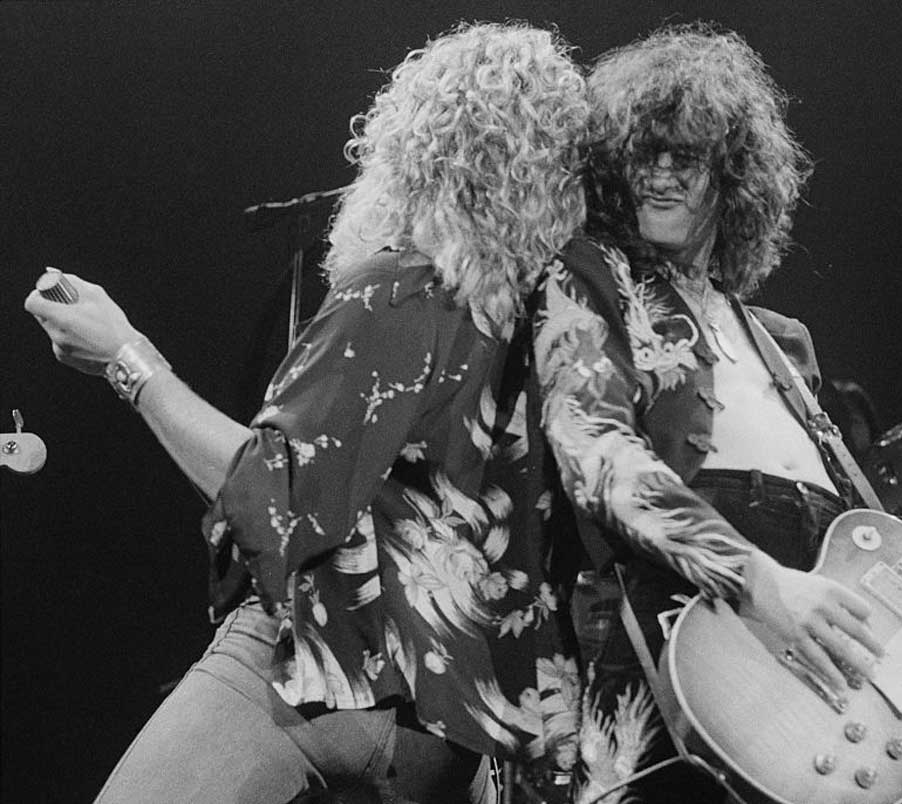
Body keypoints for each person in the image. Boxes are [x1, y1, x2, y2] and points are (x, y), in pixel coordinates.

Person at [531, 24, 902, 803]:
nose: (661, 176)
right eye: (645, 154)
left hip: (844, 623)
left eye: (688, 155)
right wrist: (763, 584)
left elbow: (852, 530)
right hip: (697, 607)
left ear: (734, 175)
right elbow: (595, 452)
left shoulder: (781, 341)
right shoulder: (591, 278)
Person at [25, 22, 587, 804]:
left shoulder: (396, 291)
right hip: (445, 740)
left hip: (312, 668)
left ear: (417, 145)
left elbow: (274, 502)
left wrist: (125, 356)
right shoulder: (547, 345)